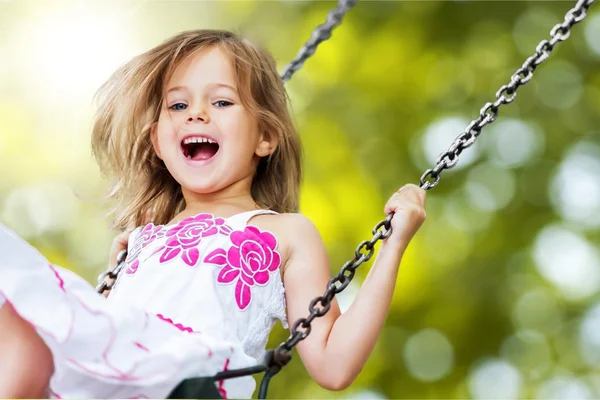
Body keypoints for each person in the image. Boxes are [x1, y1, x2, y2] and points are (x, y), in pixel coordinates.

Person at [0, 29, 426, 399]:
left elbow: (333, 366)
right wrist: (119, 273)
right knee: (16, 317)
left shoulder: (283, 233)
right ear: (158, 142)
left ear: (265, 136)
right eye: (178, 106)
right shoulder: (142, 241)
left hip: (194, 379)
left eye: (221, 102)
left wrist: (394, 244)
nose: (197, 113)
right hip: (110, 381)